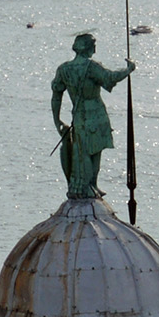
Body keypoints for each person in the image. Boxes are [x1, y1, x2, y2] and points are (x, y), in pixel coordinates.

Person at [51, 33, 133, 198]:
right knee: (92, 152)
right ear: (87, 48)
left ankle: (91, 185)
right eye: (93, 46)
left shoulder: (64, 69)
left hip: (79, 116)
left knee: (84, 150)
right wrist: (129, 69)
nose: (95, 50)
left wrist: (57, 119)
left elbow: (56, 95)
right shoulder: (91, 67)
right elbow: (110, 78)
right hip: (96, 114)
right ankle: (88, 185)